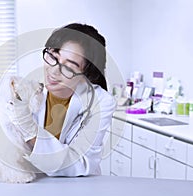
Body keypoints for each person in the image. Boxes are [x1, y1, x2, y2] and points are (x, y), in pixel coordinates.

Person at [10, 23, 116, 176]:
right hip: (33, 183)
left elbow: (81, 163)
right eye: (53, 56)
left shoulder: (101, 102)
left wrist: (30, 132)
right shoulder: (27, 91)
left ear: (86, 74)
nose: (54, 71)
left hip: (77, 186)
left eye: (69, 67)